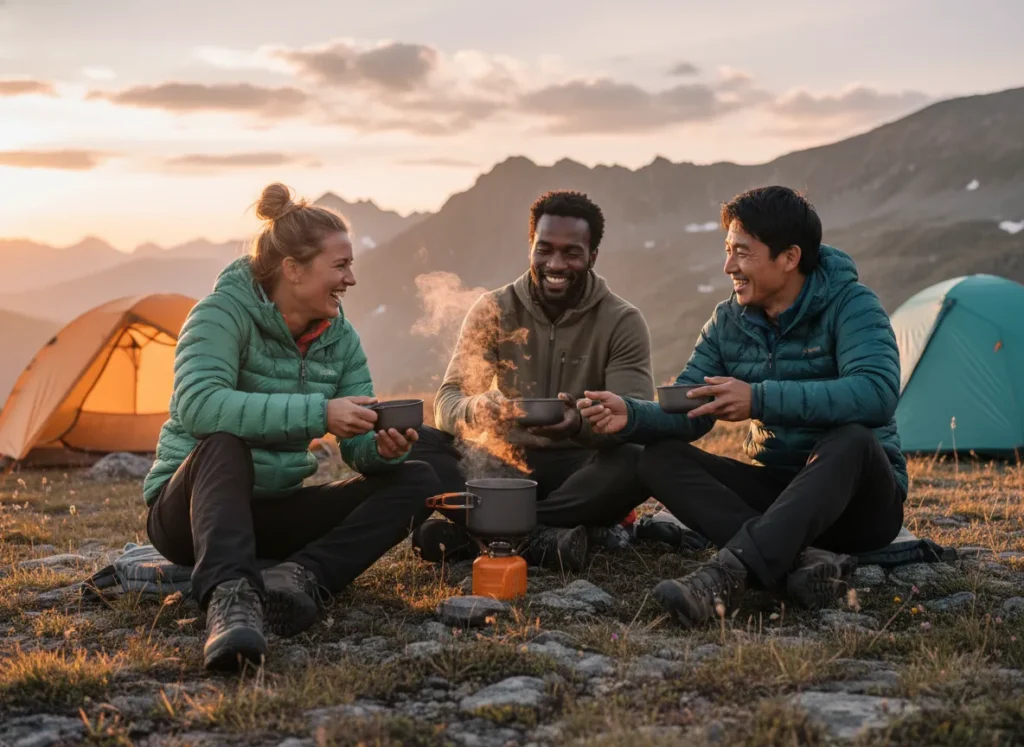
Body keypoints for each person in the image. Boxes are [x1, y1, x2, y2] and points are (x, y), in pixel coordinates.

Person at [143, 183, 440, 671]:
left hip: (272, 510)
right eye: (340, 266)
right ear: (293, 269)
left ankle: (300, 578)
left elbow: (357, 449)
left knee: (421, 477)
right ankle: (231, 601)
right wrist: (320, 414)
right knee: (223, 443)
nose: (351, 279)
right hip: (192, 514)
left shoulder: (340, 338)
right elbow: (198, 405)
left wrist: (382, 448)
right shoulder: (220, 314)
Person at [579, 185, 907, 627]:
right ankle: (800, 560)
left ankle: (724, 577)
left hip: (857, 502)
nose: (728, 265)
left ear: (789, 258)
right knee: (658, 459)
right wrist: (631, 414)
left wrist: (759, 398)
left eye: (742, 253)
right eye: (727, 250)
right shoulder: (727, 321)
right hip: (778, 489)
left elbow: (876, 393)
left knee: (853, 441)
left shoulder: (853, 306)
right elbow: (693, 405)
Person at [410, 190, 655, 571]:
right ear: (530, 247)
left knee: (641, 459)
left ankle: (493, 534)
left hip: (581, 470)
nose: (555, 263)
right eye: (545, 249)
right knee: (420, 442)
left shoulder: (622, 321)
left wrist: (577, 423)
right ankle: (543, 538)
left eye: (572, 253)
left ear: (592, 256)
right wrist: (476, 410)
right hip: (504, 468)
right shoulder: (494, 308)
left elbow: (634, 419)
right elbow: (448, 399)